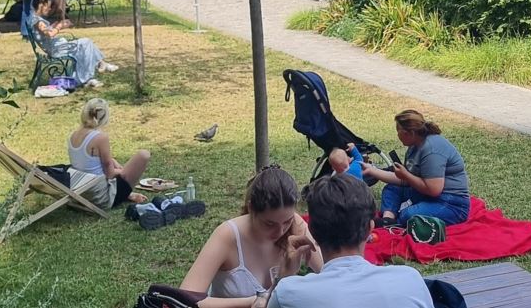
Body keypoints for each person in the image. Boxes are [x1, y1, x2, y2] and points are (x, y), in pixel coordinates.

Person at [263, 174, 432, 308]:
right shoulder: (410, 280)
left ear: (312, 231)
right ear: (369, 228)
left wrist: (282, 278)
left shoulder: (288, 293)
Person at [181, 165, 323, 308]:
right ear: (251, 209)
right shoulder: (228, 235)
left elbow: (328, 271)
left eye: (286, 221)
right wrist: (254, 302)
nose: (280, 231)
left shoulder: (295, 225)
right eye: (269, 224)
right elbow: (185, 299)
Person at [362, 109, 470, 227]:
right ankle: (388, 219)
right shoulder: (414, 145)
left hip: (450, 203)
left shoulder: (432, 150)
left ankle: (399, 220)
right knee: (392, 188)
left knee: (408, 215)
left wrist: (406, 175)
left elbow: (434, 190)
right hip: (424, 193)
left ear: (410, 133)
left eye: (398, 131)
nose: (397, 135)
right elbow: (404, 180)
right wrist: (372, 170)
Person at [67, 97, 151, 209]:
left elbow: (89, 162)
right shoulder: (100, 137)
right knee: (143, 155)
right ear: (104, 117)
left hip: (79, 192)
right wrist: (122, 171)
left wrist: (113, 162)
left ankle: (128, 194)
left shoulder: (73, 135)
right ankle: (125, 194)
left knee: (112, 161)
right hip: (99, 197)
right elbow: (110, 173)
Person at [28, 0, 117, 88]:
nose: (49, 9)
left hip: (58, 46)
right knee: (86, 43)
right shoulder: (37, 21)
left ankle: (98, 66)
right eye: (48, 6)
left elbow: (47, 30)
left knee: (86, 44)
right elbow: (49, 34)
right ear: (42, 5)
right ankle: (90, 73)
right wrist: (60, 27)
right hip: (56, 49)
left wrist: (58, 23)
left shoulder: (35, 19)